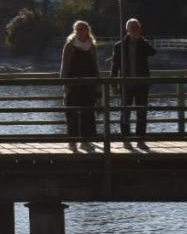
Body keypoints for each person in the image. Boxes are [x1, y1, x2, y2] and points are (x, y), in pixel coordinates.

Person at [110, 18, 157, 149]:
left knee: (141, 111)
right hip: (126, 84)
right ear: (127, 30)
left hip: (142, 84)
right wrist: (113, 83)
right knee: (125, 112)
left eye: (137, 28)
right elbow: (115, 66)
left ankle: (140, 138)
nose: (136, 30)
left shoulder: (143, 43)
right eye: (133, 28)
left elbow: (153, 52)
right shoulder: (119, 46)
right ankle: (126, 138)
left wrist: (142, 40)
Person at [59, 20, 100, 151]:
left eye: (82, 29)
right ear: (74, 31)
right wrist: (65, 85)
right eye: (77, 29)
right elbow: (64, 67)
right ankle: (72, 142)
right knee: (71, 114)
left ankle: (85, 141)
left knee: (88, 114)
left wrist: (97, 83)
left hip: (89, 85)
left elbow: (95, 65)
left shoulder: (92, 46)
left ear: (88, 30)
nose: (80, 31)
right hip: (73, 85)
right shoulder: (69, 46)